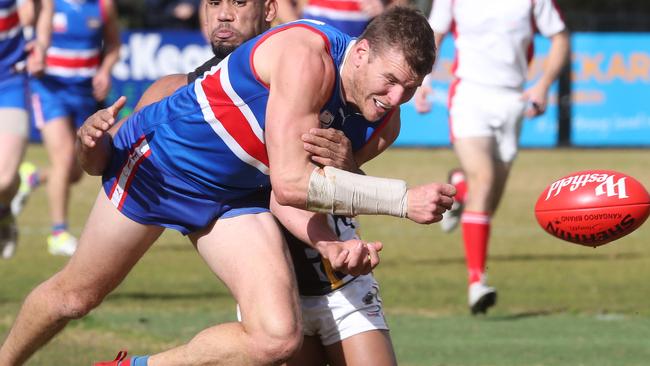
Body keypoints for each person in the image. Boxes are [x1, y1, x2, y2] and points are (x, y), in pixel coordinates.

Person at [0, 7, 453, 366]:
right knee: (76, 297)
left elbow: (285, 192)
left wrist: (330, 244)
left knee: (276, 339)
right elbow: (294, 182)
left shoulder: (382, 124)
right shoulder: (306, 57)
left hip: (233, 197)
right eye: (390, 81)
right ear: (360, 53)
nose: (395, 100)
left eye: (409, 90)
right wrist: (401, 199)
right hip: (163, 168)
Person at [84, 0, 399, 363]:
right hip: (276, 298)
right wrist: (91, 143)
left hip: (342, 283)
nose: (224, 15)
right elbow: (121, 157)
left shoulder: (329, 88)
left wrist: (347, 171)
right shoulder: (185, 96)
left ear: (269, 12)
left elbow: (333, 187)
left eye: (238, 3)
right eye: (214, 4)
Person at [414, 0, 570, 314]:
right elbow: (435, 34)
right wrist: (423, 80)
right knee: (484, 179)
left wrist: (542, 85)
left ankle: (459, 187)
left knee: (487, 200)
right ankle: (476, 282)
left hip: (513, 99)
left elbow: (560, 38)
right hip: (470, 95)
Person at [15, 0, 121, 257]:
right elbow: (23, 26)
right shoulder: (46, 4)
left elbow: (114, 45)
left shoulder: (103, 5)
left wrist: (105, 71)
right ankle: (58, 234)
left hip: (84, 93)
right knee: (63, 159)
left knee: (74, 172)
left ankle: (32, 177)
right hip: (49, 90)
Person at [0, 0, 52, 259]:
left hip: (9, 79)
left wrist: (40, 43)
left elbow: (43, 5)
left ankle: (4, 211)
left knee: (4, 179)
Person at [275, 0, 405, 37]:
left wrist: (384, 10)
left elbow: (401, 4)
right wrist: (299, 28)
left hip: (355, 51)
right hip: (311, 43)